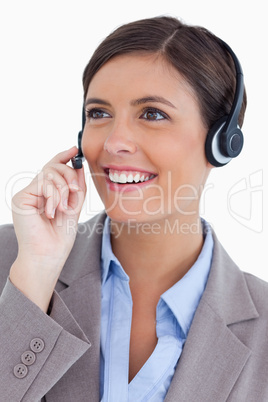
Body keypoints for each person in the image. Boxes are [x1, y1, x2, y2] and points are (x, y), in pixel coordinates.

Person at [0, 15, 267, 402]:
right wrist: (36, 274)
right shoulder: (15, 261)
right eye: (99, 113)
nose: (114, 142)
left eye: (152, 114)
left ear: (222, 143)